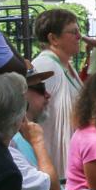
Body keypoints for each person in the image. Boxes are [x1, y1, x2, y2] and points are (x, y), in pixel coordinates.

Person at [30, 9, 83, 178]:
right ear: (53, 39)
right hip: (55, 163)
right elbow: (31, 115)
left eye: (79, 31)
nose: (79, 36)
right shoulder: (45, 66)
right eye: (73, 32)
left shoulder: (65, 65)